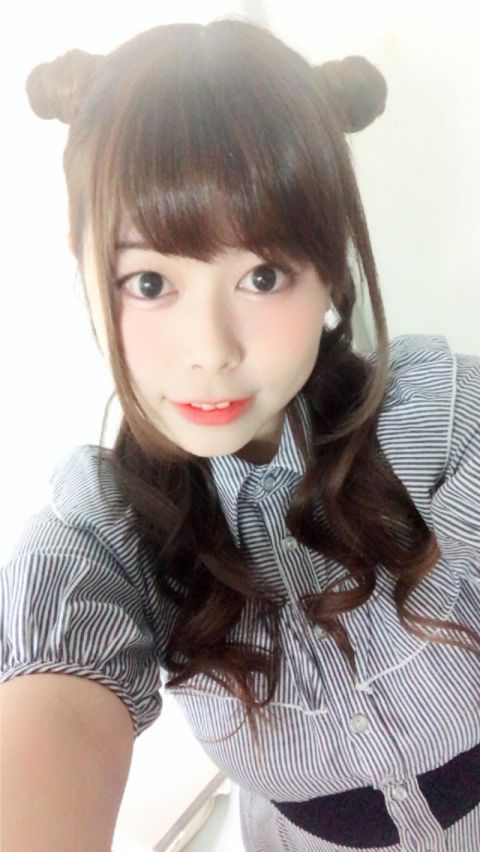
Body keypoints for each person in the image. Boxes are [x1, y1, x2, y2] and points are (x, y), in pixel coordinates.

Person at [1, 17, 479, 852]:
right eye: (149, 282)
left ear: (328, 265)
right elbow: (57, 712)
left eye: (262, 274)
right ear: (83, 260)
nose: (211, 351)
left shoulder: (438, 419)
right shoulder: (110, 526)